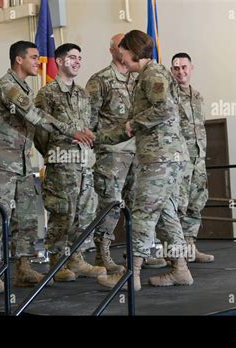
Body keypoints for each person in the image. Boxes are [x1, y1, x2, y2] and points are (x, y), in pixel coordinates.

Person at [0, 41, 95, 292]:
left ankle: (23, 266)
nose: (38, 62)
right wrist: (71, 131)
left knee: (26, 217)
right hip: (1, 163)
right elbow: (35, 116)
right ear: (19, 60)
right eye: (33, 57)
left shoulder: (24, 88)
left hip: (22, 163)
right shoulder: (7, 86)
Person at [95, 30, 193, 290]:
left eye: (123, 52)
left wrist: (132, 125)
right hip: (162, 157)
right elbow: (131, 125)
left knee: (142, 214)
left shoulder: (153, 75)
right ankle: (180, 269)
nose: (121, 57)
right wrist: (98, 138)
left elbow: (164, 109)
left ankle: (131, 275)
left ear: (133, 51)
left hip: (159, 159)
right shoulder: (147, 76)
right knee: (166, 215)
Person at [34, 43, 107, 282]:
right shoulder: (47, 93)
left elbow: (88, 126)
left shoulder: (83, 94)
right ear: (60, 61)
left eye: (79, 58)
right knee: (63, 212)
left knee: (85, 212)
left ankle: (76, 257)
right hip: (61, 164)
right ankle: (57, 260)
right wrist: (56, 151)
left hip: (84, 163)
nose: (77, 62)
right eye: (72, 57)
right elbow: (40, 131)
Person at [85, 33, 139, 273]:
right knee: (111, 204)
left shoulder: (137, 79)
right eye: (121, 45)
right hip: (112, 154)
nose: (125, 49)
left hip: (138, 152)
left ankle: (137, 254)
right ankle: (102, 254)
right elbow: (89, 120)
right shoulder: (100, 80)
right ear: (112, 50)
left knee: (138, 204)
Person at [171, 52, 214, 263]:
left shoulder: (198, 97)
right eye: (176, 68)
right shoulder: (169, 96)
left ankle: (189, 246)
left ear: (191, 68)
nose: (181, 72)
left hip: (198, 160)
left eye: (184, 67)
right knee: (178, 205)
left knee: (196, 203)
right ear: (172, 71)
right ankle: (175, 253)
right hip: (180, 162)